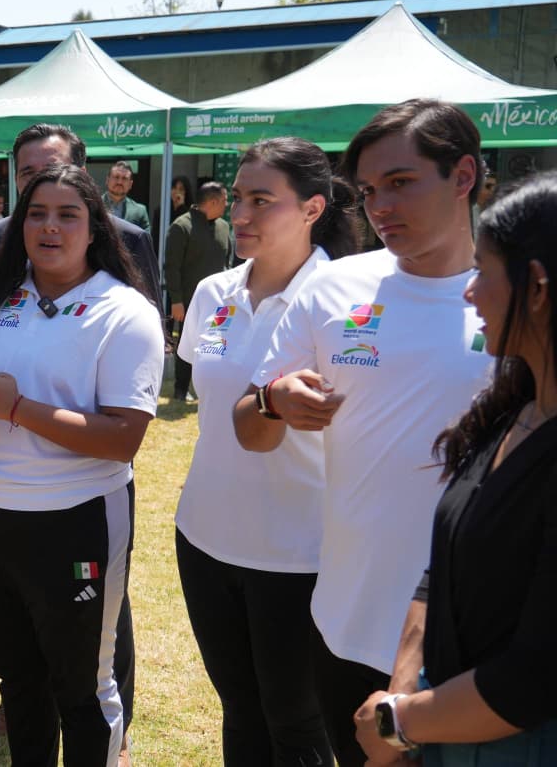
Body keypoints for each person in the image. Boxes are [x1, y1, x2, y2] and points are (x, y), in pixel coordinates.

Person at [232, 99, 493, 767]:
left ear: (463, 176)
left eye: (401, 182)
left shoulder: (515, 297)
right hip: (344, 620)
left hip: (473, 633)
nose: (381, 207)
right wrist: (271, 402)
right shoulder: (334, 288)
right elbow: (249, 429)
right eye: (370, 190)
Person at [0, 163, 163, 767]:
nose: (49, 227)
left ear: (95, 228)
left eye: (67, 215)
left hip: (76, 522)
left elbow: (123, 439)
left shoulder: (125, 311)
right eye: (36, 214)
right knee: (20, 681)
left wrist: (18, 409)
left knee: (83, 691)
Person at [353, 171, 557, 765]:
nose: (469, 294)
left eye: (482, 272)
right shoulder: (513, 410)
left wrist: (398, 723)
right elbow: (441, 567)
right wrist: (401, 696)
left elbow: (531, 679)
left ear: (536, 288)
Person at [174, 138, 363, 766]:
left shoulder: (349, 301)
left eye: (262, 200)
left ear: (313, 208)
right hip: (205, 538)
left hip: (300, 552)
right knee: (240, 709)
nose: (240, 215)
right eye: (237, 198)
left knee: (296, 724)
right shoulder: (214, 293)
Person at [0, 126, 161, 308]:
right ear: (15, 179)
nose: (40, 182)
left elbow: (151, 318)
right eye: (28, 173)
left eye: (52, 171)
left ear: (82, 175)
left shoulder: (130, 240)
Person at [165, 181, 231, 401]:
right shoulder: (181, 226)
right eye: (225, 200)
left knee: (216, 344)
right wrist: (176, 300)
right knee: (187, 343)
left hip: (220, 303)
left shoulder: (224, 227)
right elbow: (172, 267)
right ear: (212, 201)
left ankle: (209, 387)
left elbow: (227, 264)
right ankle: (181, 389)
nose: (228, 204)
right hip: (188, 300)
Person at [102, 161, 151, 231]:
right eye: (116, 177)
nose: (119, 182)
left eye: (124, 178)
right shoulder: (94, 206)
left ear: (130, 184)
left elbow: (145, 237)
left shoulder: (140, 211)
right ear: (107, 180)